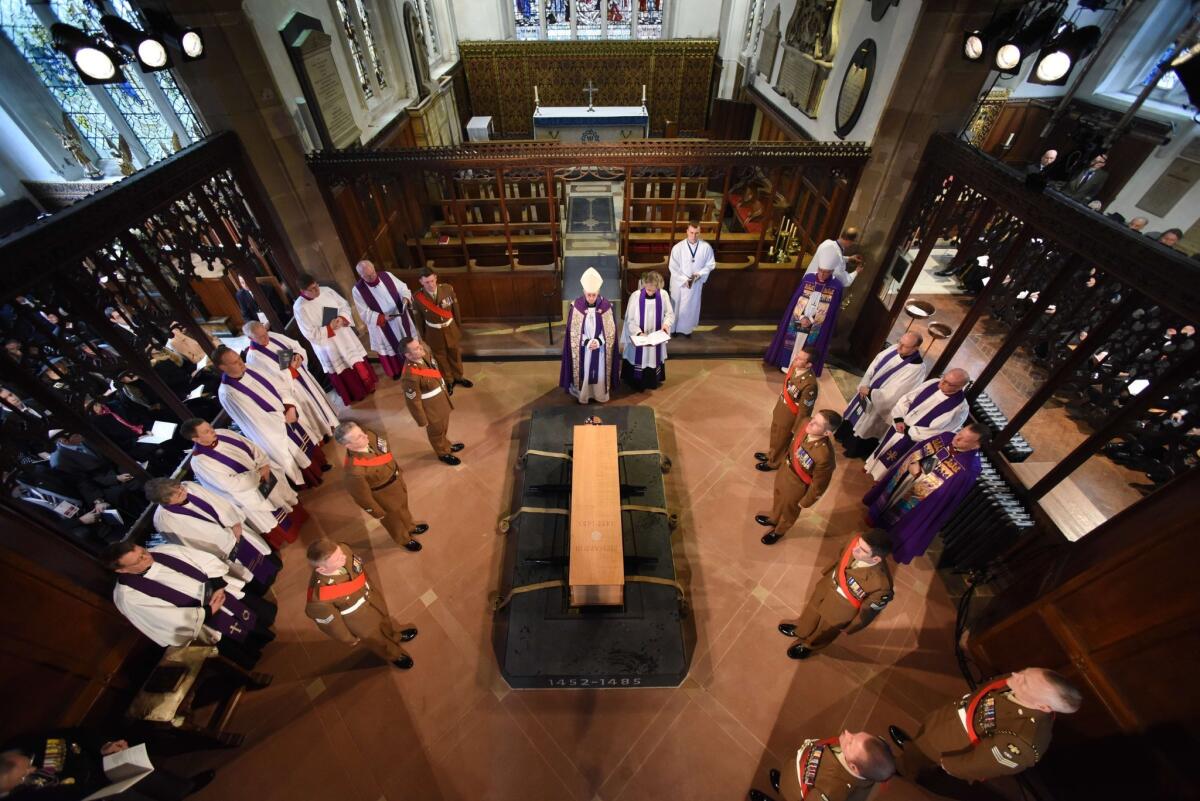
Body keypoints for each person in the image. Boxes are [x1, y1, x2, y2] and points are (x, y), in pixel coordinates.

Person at [888, 668, 1082, 786]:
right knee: (926, 733)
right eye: (1025, 671)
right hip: (951, 717)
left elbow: (979, 763)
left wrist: (948, 764)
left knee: (921, 754)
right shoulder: (1018, 684)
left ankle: (898, 768)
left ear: (1042, 707)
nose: (1016, 675)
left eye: (1025, 681)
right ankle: (915, 746)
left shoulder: (1024, 741)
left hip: (953, 744)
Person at [107, 540, 277, 669]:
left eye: (143, 551)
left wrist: (217, 585)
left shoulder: (162, 551)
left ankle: (265, 636)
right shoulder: (128, 597)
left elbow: (202, 559)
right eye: (139, 560)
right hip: (206, 621)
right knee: (236, 639)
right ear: (121, 570)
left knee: (249, 618)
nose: (147, 556)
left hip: (222, 596)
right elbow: (164, 619)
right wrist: (208, 612)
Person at [863, 422, 985, 564]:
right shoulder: (946, 437)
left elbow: (943, 495)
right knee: (892, 497)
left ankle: (886, 537)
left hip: (921, 500)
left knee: (903, 515)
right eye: (960, 433)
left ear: (976, 446)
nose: (956, 438)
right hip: (906, 478)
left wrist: (919, 475)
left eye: (963, 439)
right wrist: (913, 462)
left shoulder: (968, 469)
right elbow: (918, 450)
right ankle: (876, 516)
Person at [181, 418, 303, 550]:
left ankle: (301, 521)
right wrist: (258, 474)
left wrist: (264, 463)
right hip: (248, 492)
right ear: (196, 439)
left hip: (264, 472)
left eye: (210, 427)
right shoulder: (200, 462)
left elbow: (251, 446)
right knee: (273, 515)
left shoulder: (223, 433)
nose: (212, 431)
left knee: (284, 498)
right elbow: (229, 484)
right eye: (206, 431)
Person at [213, 345, 324, 489]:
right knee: (293, 453)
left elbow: (277, 384)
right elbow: (256, 419)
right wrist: (283, 418)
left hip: (287, 413)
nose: (241, 363)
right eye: (235, 362)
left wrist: (289, 405)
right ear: (222, 367)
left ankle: (320, 466)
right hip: (274, 428)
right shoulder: (229, 393)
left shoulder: (250, 369)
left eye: (239, 358)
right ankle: (312, 479)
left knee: (306, 441)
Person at [146, 477, 280, 593]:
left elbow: (218, 501)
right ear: (164, 501)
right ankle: (263, 584)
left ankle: (274, 565)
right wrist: (231, 535)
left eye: (179, 487)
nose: (182, 490)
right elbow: (195, 540)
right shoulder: (164, 521)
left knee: (259, 549)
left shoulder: (189, 486)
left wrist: (234, 521)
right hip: (222, 547)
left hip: (233, 526)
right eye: (176, 494)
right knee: (246, 569)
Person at [776, 529, 893, 660]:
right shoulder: (855, 539)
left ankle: (810, 645)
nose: (855, 549)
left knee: (824, 631)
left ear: (876, 558)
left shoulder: (881, 586)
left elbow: (867, 613)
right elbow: (841, 556)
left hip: (841, 608)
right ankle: (802, 628)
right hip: (828, 586)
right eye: (858, 544)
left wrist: (850, 628)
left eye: (863, 550)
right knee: (812, 611)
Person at [304, 538, 418, 670]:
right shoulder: (318, 599)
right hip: (359, 621)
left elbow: (357, 569)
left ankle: (395, 636)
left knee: (385, 621)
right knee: (378, 641)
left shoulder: (344, 550)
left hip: (372, 598)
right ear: (322, 570)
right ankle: (394, 655)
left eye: (340, 553)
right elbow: (333, 626)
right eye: (336, 559)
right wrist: (349, 638)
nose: (343, 558)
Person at [0, 730, 213, 800]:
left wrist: (104, 746)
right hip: (90, 792)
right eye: (25, 775)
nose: (32, 768)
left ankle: (183, 789)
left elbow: (76, 732)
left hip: (97, 762)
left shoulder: (24, 744)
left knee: (131, 764)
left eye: (28, 763)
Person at [334, 421, 427, 552]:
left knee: (404, 509)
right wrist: (377, 512)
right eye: (358, 437)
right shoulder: (354, 471)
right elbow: (362, 497)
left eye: (361, 432)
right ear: (348, 445)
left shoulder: (369, 436)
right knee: (394, 522)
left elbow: (385, 452)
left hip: (396, 483)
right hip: (383, 498)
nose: (365, 436)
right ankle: (403, 539)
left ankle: (410, 527)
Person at [863, 368, 970, 480]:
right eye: (944, 378)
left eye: (949, 383)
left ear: (959, 387)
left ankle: (881, 479)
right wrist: (899, 418)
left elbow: (939, 431)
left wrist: (908, 431)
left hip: (914, 439)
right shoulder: (933, 383)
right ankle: (870, 466)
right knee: (884, 446)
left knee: (897, 459)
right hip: (899, 425)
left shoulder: (960, 408)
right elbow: (907, 399)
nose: (942, 382)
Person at [242, 321, 337, 446]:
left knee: (317, 400)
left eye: (265, 334)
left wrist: (299, 356)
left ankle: (330, 424)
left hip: (302, 375)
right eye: (261, 337)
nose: (266, 338)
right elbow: (270, 380)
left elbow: (295, 345)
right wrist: (290, 370)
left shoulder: (273, 336)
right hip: (291, 387)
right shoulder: (253, 357)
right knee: (308, 409)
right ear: (250, 338)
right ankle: (321, 434)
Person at [755, 410, 841, 545]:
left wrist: (805, 501)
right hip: (785, 469)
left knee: (789, 511)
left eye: (817, 424)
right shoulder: (805, 423)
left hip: (797, 485)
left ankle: (779, 531)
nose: (811, 423)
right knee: (778, 497)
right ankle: (773, 518)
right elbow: (792, 443)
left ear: (827, 433)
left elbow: (819, 485)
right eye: (814, 418)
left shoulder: (824, 456)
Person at [837, 333, 927, 459]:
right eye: (899, 342)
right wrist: (865, 383)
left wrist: (870, 392)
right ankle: (842, 436)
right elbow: (874, 365)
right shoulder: (894, 349)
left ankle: (855, 449)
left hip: (878, 403)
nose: (899, 347)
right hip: (866, 390)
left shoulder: (916, 369)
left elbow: (897, 393)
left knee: (867, 425)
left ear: (915, 348)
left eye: (905, 346)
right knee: (856, 415)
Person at [293, 273, 376, 406]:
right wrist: (329, 327)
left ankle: (369, 385)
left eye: (316, 286)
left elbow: (344, 305)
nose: (317, 290)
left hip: (344, 334)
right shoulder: (300, 308)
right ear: (303, 291)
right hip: (329, 344)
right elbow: (309, 333)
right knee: (343, 369)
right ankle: (356, 393)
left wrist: (342, 318)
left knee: (356, 361)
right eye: (312, 289)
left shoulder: (327, 291)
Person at [749, 730, 895, 801]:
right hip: (801, 770)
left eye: (850, 743)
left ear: (853, 767)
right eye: (855, 735)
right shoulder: (868, 767)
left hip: (793, 794)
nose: (848, 733)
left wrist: (790, 786)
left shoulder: (831, 791)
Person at [765, 266, 844, 375]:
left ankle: (801, 368)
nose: (822, 274)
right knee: (793, 342)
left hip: (816, 325)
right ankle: (787, 364)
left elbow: (831, 311)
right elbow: (797, 299)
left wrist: (812, 320)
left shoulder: (837, 286)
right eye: (820, 271)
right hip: (799, 319)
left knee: (807, 346)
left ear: (832, 271)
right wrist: (801, 317)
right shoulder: (809, 278)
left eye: (826, 272)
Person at [399, 337, 463, 466]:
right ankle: (442, 453)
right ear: (408, 355)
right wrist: (422, 420)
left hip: (441, 400)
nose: (421, 348)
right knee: (436, 433)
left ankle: (447, 446)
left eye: (419, 345)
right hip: (430, 409)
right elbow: (413, 401)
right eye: (416, 348)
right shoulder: (409, 376)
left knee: (443, 428)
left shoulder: (425, 355)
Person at [351, 260, 420, 380]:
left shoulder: (386, 275)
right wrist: (382, 318)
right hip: (384, 325)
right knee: (391, 346)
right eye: (367, 276)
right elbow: (363, 312)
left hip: (400, 317)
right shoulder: (358, 290)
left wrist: (405, 298)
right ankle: (398, 370)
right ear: (361, 276)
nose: (372, 277)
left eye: (373, 273)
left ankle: (416, 364)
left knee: (407, 339)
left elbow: (403, 287)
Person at [559, 267, 619, 403]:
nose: (591, 298)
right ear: (584, 292)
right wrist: (586, 342)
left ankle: (599, 395)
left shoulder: (606, 306)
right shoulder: (577, 307)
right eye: (589, 295)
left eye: (594, 295)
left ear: (598, 292)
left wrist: (598, 341)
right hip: (584, 350)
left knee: (600, 372)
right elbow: (573, 331)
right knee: (584, 372)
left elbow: (610, 331)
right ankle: (584, 395)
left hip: (601, 349)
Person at [754, 347, 818, 472]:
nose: (795, 359)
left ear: (809, 364)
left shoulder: (810, 384)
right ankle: (772, 454)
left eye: (800, 358)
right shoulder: (795, 368)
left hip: (790, 416)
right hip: (781, 409)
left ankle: (774, 462)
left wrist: (796, 428)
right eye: (797, 356)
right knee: (775, 434)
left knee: (781, 440)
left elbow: (805, 411)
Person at [413, 268, 471, 389]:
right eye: (427, 282)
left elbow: (456, 309)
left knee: (455, 354)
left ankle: (459, 377)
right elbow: (419, 320)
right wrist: (424, 337)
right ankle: (449, 380)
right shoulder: (418, 298)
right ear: (421, 282)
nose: (431, 285)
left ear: (436, 278)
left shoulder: (447, 289)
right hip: (433, 332)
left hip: (450, 328)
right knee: (440, 357)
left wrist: (457, 327)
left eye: (432, 281)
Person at [621, 271, 675, 391]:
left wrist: (666, 325)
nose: (649, 292)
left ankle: (651, 381)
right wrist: (639, 333)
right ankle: (636, 382)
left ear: (658, 287)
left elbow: (669, 314)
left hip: (655, 336)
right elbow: (630, 320)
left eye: (652, 290)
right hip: (639, 336)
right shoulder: (635, 296)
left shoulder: (663, 295)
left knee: (652, 357)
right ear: (644, 284)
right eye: (647, 288)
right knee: (637, 357)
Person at [668, 220, 715, 336]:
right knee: (676, 307)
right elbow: (673, 267)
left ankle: (686, 330)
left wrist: (699, 274)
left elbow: (710, 264)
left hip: (695, 283)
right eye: (691, 232)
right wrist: (685, 280)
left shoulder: (706, 248)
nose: (693, 236)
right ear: (687, 232)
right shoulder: (678, 248)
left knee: (690, 307)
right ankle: (673, 330)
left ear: (700, 232)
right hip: (679, 285)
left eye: (696, 233)